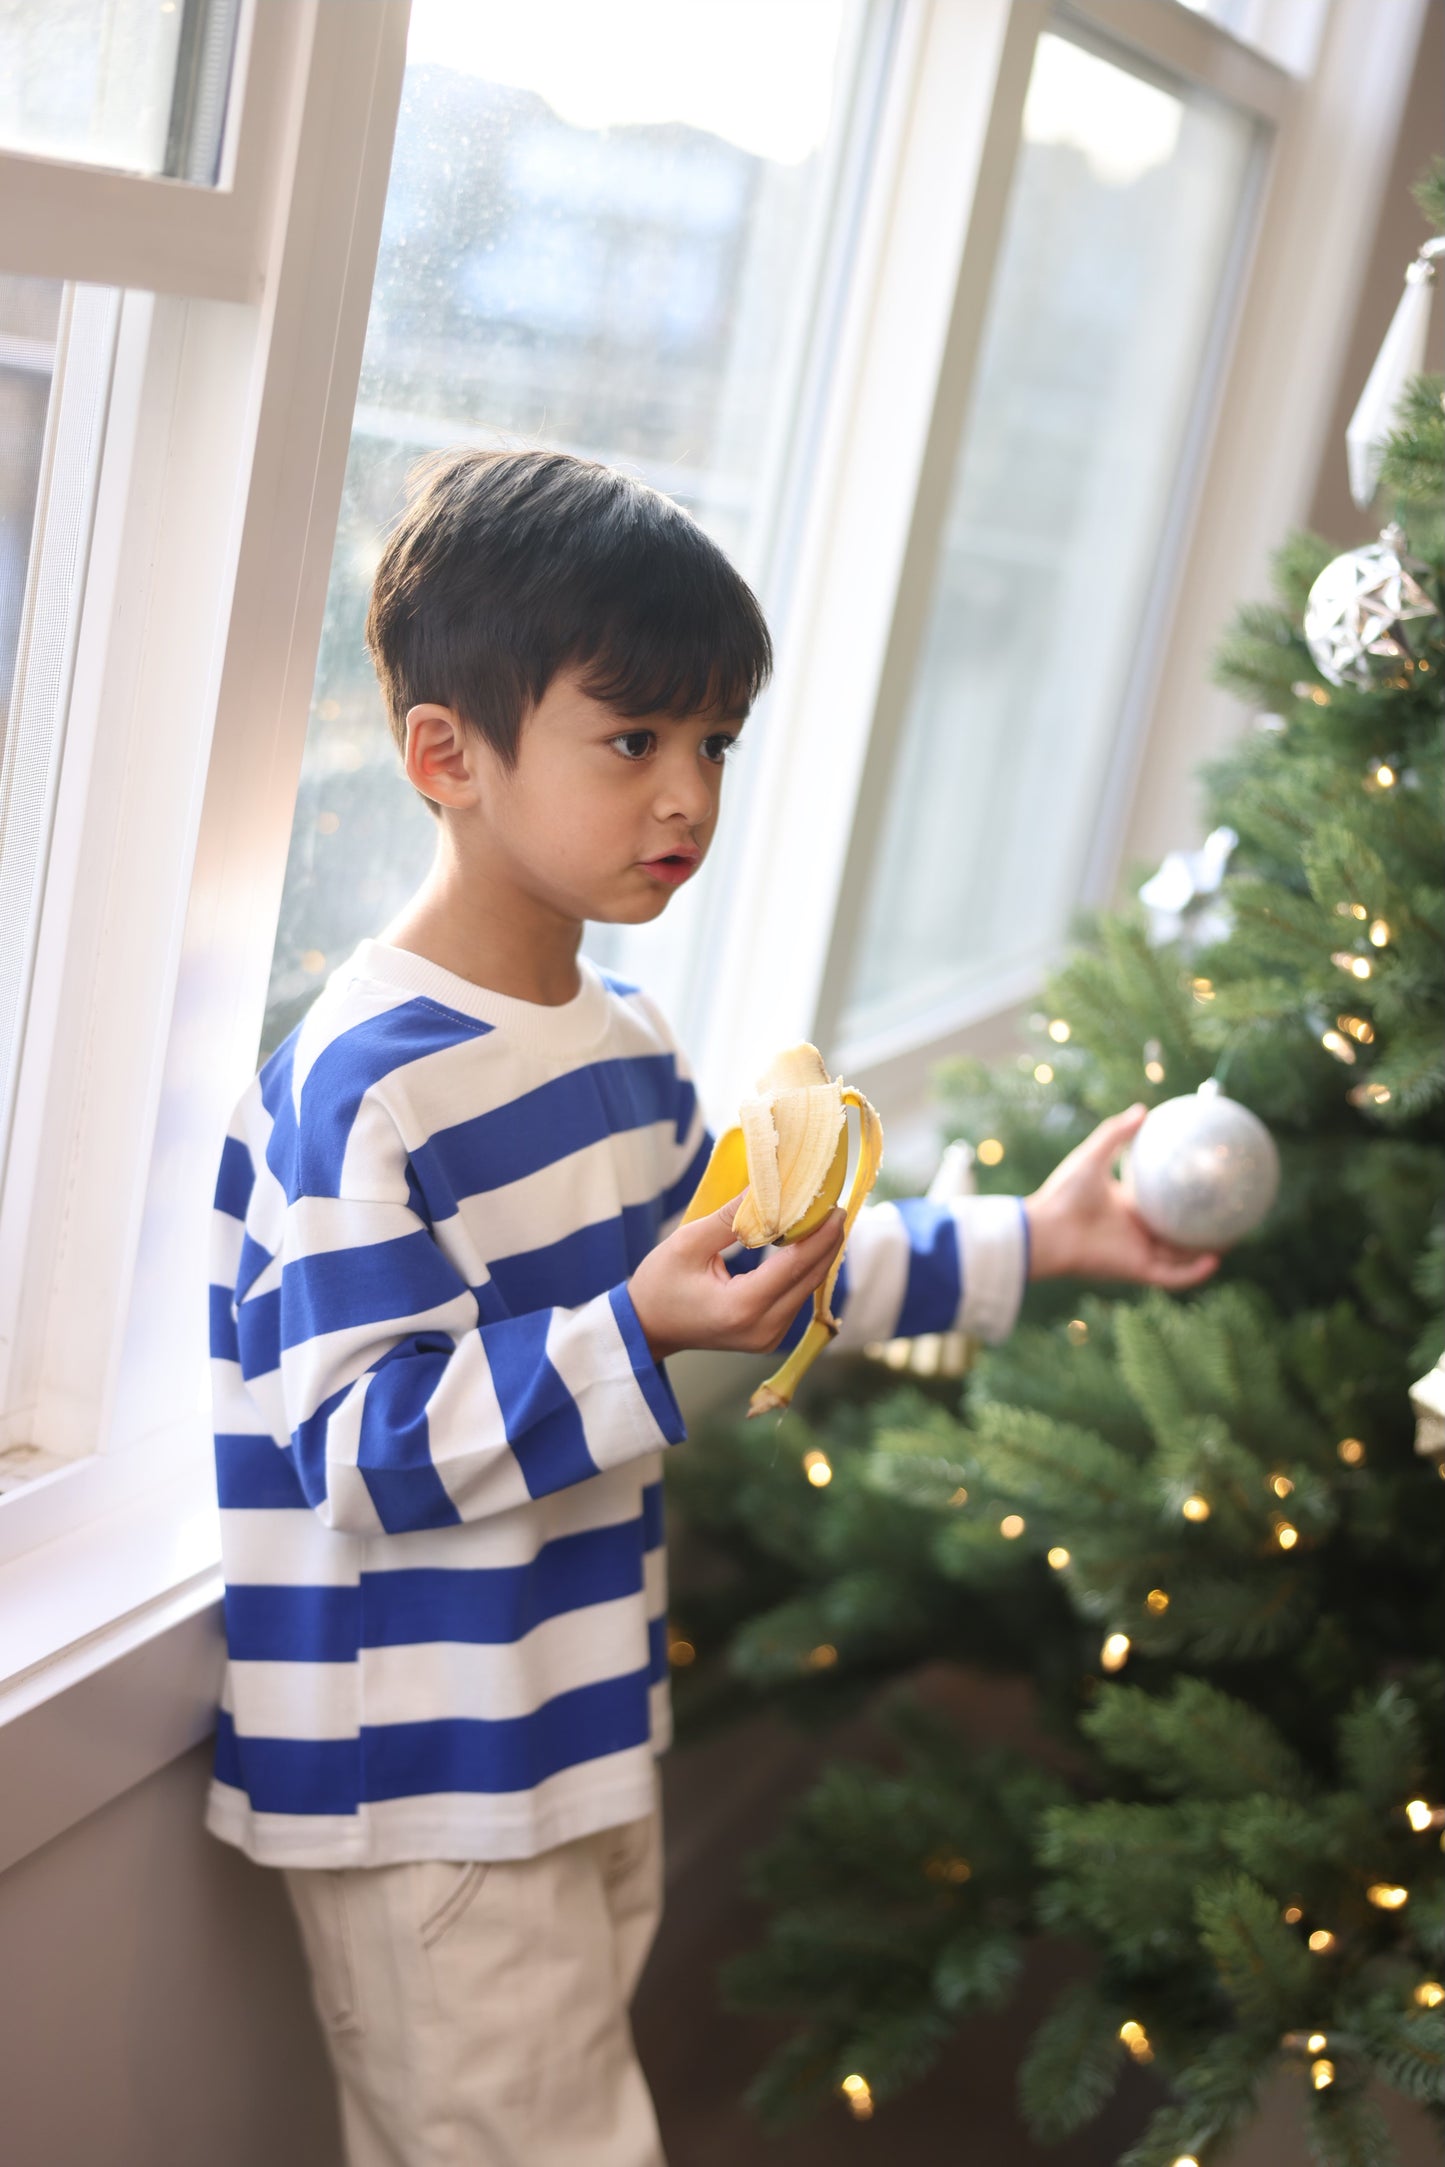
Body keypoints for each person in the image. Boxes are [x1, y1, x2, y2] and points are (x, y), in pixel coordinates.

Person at [206, 447, 1218, 2167]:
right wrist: (641, 1332)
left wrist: (1038, 1238)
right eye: (633, 741)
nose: (688, 796)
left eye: (713, 746)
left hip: (578, 1719)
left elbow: (755, 1260)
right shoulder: (365, 1090)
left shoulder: (624, 1044)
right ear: (446, 755)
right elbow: (363, 1450)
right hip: (434, 1782)